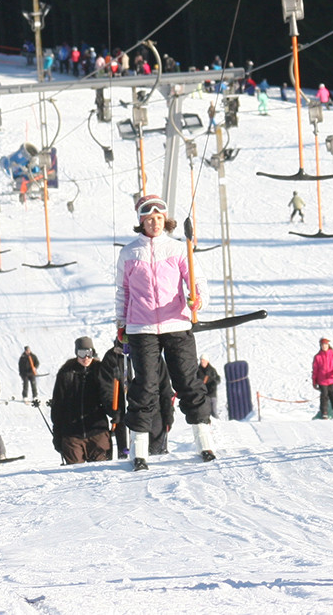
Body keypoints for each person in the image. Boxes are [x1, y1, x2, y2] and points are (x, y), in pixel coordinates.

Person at [116, 194, 214, 469]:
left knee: (188, 382)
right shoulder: (129, 253)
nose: (155, 223)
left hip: (176, 324)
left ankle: (205, 443)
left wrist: (198, 300)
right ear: (141, 222)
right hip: (141, 328)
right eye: (149, 219)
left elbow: (197, 281)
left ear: (165, 219)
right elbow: (123, 291)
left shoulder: (178, 249)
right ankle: (139, 451)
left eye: (159, 218)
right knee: (145, 387)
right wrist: (121, 323)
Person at [51, 335, 119, 464]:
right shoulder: (66, 373)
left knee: (101, 471)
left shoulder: (100, 371)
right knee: (75, 472)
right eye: (82, 353)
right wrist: (57, 434)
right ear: (76, 353)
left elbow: (108, 395)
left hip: (97, 432)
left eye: (89, 353)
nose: (86, 358)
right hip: (72, 435)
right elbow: (58, 405)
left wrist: (115, 412)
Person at [311, 338, 333, 419]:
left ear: (328, 345)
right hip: (322, 380)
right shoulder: (318, 357)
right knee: (324, 396)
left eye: (325, 344)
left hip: (332, 379)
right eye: (322, 345)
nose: (324, 346)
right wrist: (314, 381)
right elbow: (315, 370)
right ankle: (324, 412)